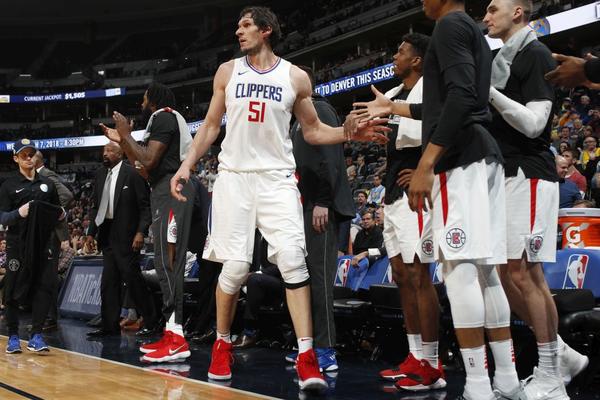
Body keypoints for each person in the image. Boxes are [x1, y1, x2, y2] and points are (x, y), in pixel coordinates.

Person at [169, 6, 388, 390]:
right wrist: (187, 165)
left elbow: (314, 130)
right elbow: (211, 126)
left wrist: (348, 133)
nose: (238, 31)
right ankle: (222, 344)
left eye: (246, 25)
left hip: (277, 179)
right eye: (238, 25)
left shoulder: (295, 76)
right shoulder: (227, 72)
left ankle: (307, 356)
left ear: (266, 29)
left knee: (292, 260)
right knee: (236, 268)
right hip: (235, 178)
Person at [351, 0, 520, 398]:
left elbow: (461, 98)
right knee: (485, 273)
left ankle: (477, 386)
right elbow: (445, 104)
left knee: (460, 273)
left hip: (460, 160)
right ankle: (507, 381)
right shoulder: (469, 29)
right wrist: (393, 106)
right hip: (480, 154)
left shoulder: (448, 26)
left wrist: (426, 163)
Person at [485, 0, 586, 397]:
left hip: (529, 171)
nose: (486, 17)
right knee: (506, 274)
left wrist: (488, 93)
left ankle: (551, 375)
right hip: (507, 173)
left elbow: (534, 124)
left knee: (525, 274)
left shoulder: (536, 53)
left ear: (518, 13)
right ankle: (561, 354)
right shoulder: (502, 60)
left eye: (493, 8)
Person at [372, 33, 445, 392]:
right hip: (393, 190)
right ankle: (415, 356)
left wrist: (424, 170)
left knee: (419, 275)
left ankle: (432, 362)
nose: (394, 57)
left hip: (417, 190)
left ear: (417, 60)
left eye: (400, 52)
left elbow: (444, 133)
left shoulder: (431, 89)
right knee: (401, 275)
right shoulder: (394, 94)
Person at [100, 83, 195, 362]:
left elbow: (149, 160)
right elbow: (141, 168)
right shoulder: (161, 119)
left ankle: (177, 337)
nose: (141, 104)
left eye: (143, 99)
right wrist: (123, 142)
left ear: (152, 99)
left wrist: (126, 136)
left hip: (173, 189)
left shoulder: (163, 116)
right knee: (164, 263)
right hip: (163, 190)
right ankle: (171, 332)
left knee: (170, 263)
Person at [288, 66, 355, 371]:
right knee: (305, 279)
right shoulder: (297, 118)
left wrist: (323, 202)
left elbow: (330, 158)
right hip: (305, 207)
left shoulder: (320, 108)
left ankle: (326, 349)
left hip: (320, 207)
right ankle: (310, 347)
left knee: (320, 279)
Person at [86, 141, 156, 338]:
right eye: (104, 150)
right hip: (106, 233)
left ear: (120, 154)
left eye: (110, 150)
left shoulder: (132, 173)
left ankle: (152, 321)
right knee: (109, 282)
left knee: (132, 279)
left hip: (127, 235)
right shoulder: (100, 174)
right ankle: (109, 325)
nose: (105, 153)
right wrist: (91, 233)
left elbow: (145, 206)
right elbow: (95, 206)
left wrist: (141, 232)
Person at [0, 139, 64, 354]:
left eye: (31, 154)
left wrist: (61, 214)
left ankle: (36, 335)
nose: (28, 158)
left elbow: (58, 211)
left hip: (43, 243)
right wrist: (19, 213)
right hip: (17, 244)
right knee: (11, 288)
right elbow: (2, 218)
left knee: (44, 286)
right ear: (15, 158)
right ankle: (13, 336)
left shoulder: (48, 184)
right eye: (24, 155)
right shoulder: (8, 186)